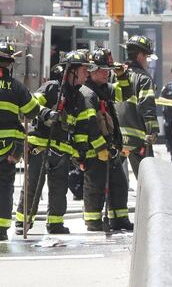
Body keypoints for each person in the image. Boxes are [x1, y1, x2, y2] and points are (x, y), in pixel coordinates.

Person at [14, 54, 84, 236]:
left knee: (60, 188)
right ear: (72, 72)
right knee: (33, 184)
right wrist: (47, 114)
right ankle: (23, 221)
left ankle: (55, 223)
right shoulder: (53, 88)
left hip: (62, 148)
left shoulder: (77, 96)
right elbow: (31, 104)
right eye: (83, 70)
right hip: (41, 146)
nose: (86, 74)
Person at [81, 48, 133, 231]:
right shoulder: (87, 93)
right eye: (102, 69)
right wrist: (100, 148)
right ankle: (93, 221)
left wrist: (122, 76)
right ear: (91, 70)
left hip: (109, 148)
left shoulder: (104, 89)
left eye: (108, 70)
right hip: (94, 149)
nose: (106, 73)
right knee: (95, 187)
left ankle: (120, 220)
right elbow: (90, 125)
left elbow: (125, 95)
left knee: (119, 184)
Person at [0, 42, 41, 240]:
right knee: (5, 186)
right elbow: (33, 111)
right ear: (9, 64)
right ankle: (0, 229)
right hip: (9, 149)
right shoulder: (17, 87)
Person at [116, 35, 159, 178]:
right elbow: (147, 107)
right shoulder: (143, 78)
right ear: (140, 55)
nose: (147, 61)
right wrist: (152, 131)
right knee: (146, 180)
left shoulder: (115, 75)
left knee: (111, 180)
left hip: (116, 138)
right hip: (137, 139)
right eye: (146, 57)